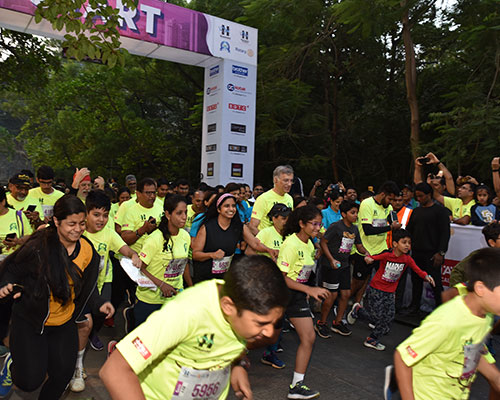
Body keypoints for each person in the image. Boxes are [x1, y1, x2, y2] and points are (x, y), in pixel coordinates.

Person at [99, 255, 289, 399]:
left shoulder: (243, 305)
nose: (269, 332)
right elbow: (114, 371)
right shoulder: (187, 312)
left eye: (274, 322)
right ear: (228, 307)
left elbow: (228, 339)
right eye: (261, 323)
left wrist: (237, 365)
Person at [0, 195, 114, 399]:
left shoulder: (87, 250)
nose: (77, 229)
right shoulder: (39, 247)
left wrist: (100, 303)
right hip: (31, 321)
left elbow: (88, 288)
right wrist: (6, 285)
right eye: (71, 224)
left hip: (64, 322)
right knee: (29, 382)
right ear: (56, 221)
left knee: (62, 375)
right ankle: (13, 363)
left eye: (81, 223)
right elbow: (12, 268)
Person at [393, 247, 500, 400]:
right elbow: (402, 357)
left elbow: (471, 347)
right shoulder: (448, 320)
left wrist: (495, 378)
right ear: (480, 289)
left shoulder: (485, 316)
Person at [70, 190, 140, 392]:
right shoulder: (77, 232)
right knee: (81, 324)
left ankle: (87, 338)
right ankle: (77, 366)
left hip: (102, 284)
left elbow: (124, 248)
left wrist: (133, 255)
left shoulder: (109, 233)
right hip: (79, 289)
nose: (101, 220)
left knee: (100, 316)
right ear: (86, 214)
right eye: (96, 215)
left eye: (105, 215)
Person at [348, 229, 434, 351]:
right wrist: (369, 259)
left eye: (409, 243)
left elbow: (417, 269)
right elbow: (374, 257)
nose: (407, 245)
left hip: (390, 292)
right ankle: (358, 311)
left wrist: (426, 276)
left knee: (388, 317)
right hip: (377, 289)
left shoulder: (407, 259)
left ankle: (372, 339)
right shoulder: (387, 255)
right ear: (395, 244)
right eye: (404, 242)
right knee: (377, 318)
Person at [277, 205, 330, 399]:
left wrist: (305, 289)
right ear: (301, 224)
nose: (318, 228)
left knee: (308, 337)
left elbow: (301, 273)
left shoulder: (309, 244)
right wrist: (309, 289)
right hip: (281, 295)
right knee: (255, 337)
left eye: (320, 224)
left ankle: (296, 386)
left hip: (297, 296)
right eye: (314, 224)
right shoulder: (290, 244)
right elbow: (282, 278)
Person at [192, 193, 277, 283]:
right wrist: (211, 255)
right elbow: (195, 254)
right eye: (226, 206)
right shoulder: (206, 228)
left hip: (224, 277)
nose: (231, 209)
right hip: (205, 278)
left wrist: (268, 250)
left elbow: (255, 244)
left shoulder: (239, 227)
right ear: (219, 209)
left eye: (233, 206)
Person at [134, 195, 193, 327]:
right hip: (150, 300)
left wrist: (190, 287)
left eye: (185, 212)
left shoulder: (185, 236)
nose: (184, 217)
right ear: (168, 214)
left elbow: (184, 264)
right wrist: (161, 285)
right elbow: (140, 268)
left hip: (174, 298)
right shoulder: (154, 239)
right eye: (179, 213)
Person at [246, 203, 291, 369]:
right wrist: (267, 253)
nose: (286, 221)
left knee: (278, 320)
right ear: (274, 218)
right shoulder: (265, 233)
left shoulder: (290, 236)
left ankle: (270, 353)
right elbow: (249, 253)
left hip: (281, 283)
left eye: (288, 218)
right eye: (283, 218)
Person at [316, 201, 369, 338]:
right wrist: (331, 260)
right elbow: (323, 242)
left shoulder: (355, 229)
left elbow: (359, 246)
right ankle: (321, 323)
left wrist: (367, 253)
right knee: (331, 295)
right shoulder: (335, 227)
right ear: (344, 214)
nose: (356, 215)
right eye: (353, 213)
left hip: (345, 265)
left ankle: (337, 322)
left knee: (345, 294)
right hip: (330, 266)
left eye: (357, 213)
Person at [120, 178, 164, 331]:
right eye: (148, 193)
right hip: (137, 263)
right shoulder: (131, 211)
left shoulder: (161, 207)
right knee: (139, 297)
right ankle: (133, 322)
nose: (152, 196)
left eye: (154, 193)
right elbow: (125, 238)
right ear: (138, 193)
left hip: (157, 262)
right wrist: (142, 230)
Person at [349, 181, 401, 310]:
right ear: (382, 194)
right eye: (390, 199)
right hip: (364, 250)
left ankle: (357, 305)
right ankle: (342, 302)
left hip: (381, 250)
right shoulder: (367, 204)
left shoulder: (388, 207)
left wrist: (396, 226)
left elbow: (393, 224)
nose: (391, 202)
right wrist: (390, 227)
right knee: (358, 281)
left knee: (371, 280)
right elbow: (368, 230)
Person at [404, 182, 450, 314]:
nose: (418, 199)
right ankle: (414, 306)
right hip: (416, 252)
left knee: (435, 283)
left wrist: (441, 252)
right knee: (416, 281)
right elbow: (409, 230)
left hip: (433, 254)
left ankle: (441, 310)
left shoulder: (440, 211)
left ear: (429, 195)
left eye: (421, 196)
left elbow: (445, 234)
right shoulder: (416, 211)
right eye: (417, 196)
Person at [249, 165, 294, 234]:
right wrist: (264, 239)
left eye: (291, 181)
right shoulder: (263, 198)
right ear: (275, 180)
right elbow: (252, 226)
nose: (289, 184)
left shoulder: (289, 198)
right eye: (286, 180)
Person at [0, 187, 32, 257]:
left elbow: (30, 236)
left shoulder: (18, 215)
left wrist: (18, 241)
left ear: (3, 202)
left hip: (14, 258)